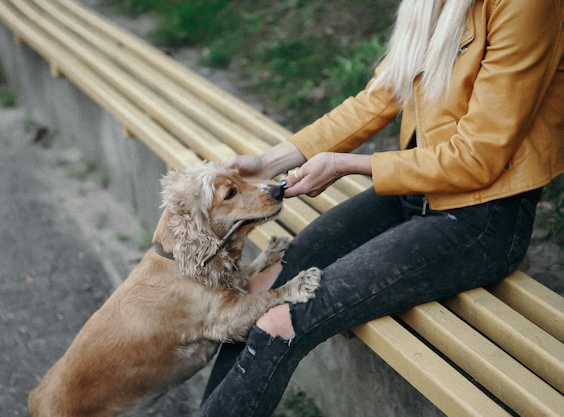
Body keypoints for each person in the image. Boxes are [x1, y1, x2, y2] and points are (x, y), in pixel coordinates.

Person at [196, 0, 564, 416]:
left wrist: (345, 165)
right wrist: (271, 162)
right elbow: (377, 99)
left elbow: (478, 158)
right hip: (416, 192)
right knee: (262, 290)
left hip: (480, 217)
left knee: (280, 322)